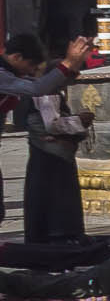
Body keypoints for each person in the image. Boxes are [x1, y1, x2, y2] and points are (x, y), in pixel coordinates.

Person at [3, 33, 94, 242]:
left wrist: (73, 64)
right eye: (30, 65)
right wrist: (68, 62)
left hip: (46, 152)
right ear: (17, 57)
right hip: (50, 153)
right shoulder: (8, 76)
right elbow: (39, 94)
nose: (31, 71)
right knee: (54, 201)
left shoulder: (15, 77)